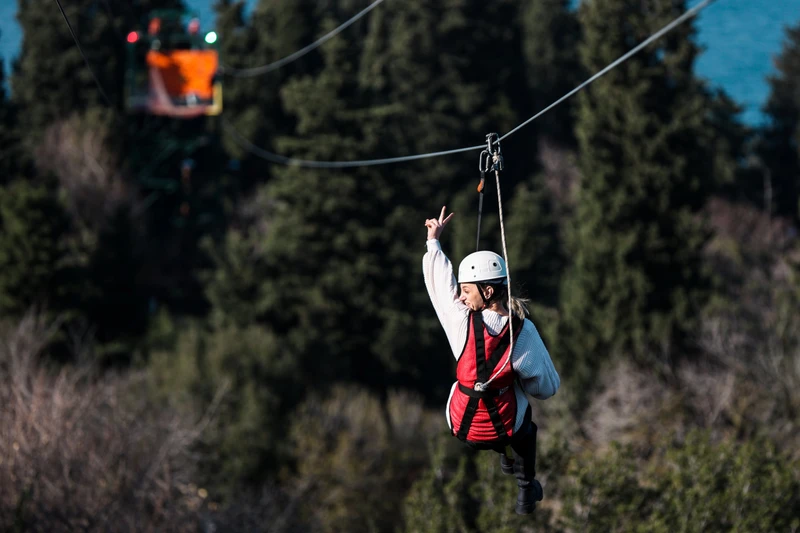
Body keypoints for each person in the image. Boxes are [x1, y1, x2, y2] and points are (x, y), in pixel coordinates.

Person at [422, 206, 560, 515]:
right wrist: (515, 377)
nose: (460, 297)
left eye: (466, 290)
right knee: (522, 412)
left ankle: (504, 454)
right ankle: (526, 487)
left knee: (489, 393)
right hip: (504, 427)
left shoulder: (459, 321)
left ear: (487, 290)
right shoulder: (522, 332)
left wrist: (434, 242)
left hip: (462, 425)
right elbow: (547, 388)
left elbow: (439, 285)